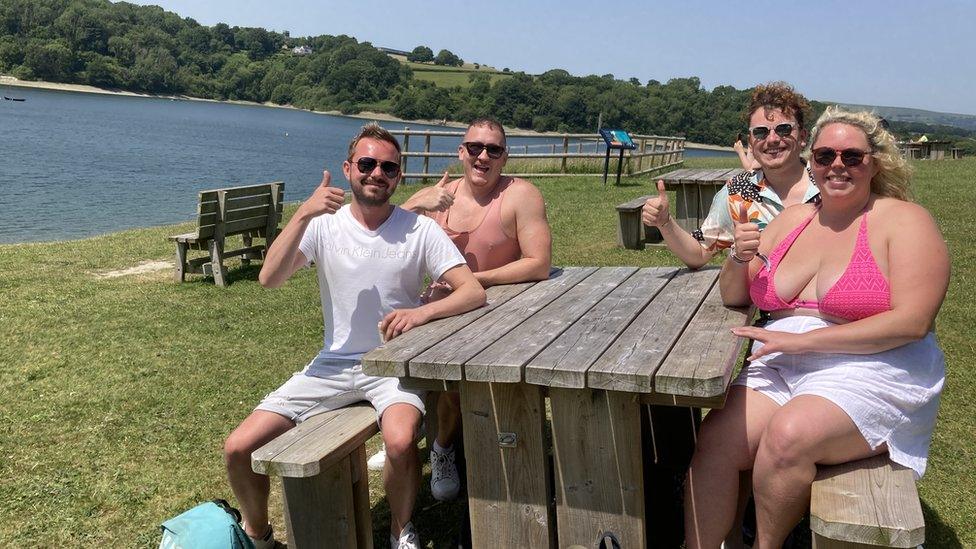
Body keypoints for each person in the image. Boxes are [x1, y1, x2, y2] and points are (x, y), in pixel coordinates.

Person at [685, 107, 949, 549]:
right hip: (785, 361)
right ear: (812, 162)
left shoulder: (903, 221)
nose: (837, 165)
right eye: (825, 156)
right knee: (716, 440)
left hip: (873, 364)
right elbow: (736, 296)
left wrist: (802, 339)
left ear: (875, 161)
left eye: (852, 156)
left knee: (788, 436)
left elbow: (912, 321)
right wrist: (738, 256)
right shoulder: (793, 220)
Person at [222, 123, 486, 549]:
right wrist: (305, 212)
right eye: (367, 164)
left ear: (398, 177)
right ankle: (259, 535)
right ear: (348, 169)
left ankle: (402, 530)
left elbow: (472, 291)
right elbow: (269, 279)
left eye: (388, 167)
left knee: (401, 443)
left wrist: (421, 314)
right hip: (331, 366)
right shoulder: (324, 226)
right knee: (238, 448)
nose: (376, 173)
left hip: (391, 364)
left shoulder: (419, 230)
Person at [366, 117, 552, 504]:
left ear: (504, 158)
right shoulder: (441, 194)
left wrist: (474, 281)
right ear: (461, 152)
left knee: (452, 383)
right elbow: (381, 240)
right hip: (433, 309)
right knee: (387, 352)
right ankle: (406, 432)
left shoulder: (520, 196)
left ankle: (443, 447)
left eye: (493, 150)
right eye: (474, 148)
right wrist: (415, 204)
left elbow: (538, 263)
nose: (483, 156)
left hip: (488, 316)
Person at [642, 82, 820, 269]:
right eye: (760, 132)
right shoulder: (737, 193)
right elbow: (699, 253)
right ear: (751, 142)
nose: (773, 139)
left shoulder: (829, 184)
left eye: (784, 129)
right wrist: (665, 223)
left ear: (803, 137)